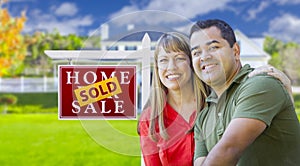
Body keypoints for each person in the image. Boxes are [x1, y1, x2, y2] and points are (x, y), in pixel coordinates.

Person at [137, 32, 293, 166]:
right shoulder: (150, 119)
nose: (171, 67)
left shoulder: (216, 101)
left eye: (179, 58)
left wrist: (285, 87)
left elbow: (274, 137)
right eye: (163, 60)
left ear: (192, 63)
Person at [190, 19, 300, 166]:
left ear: (235, 51)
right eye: (196, 52)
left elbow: (229, 149)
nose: (204, 57)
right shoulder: (203, 117)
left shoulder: (260, 84)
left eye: (213, 47)